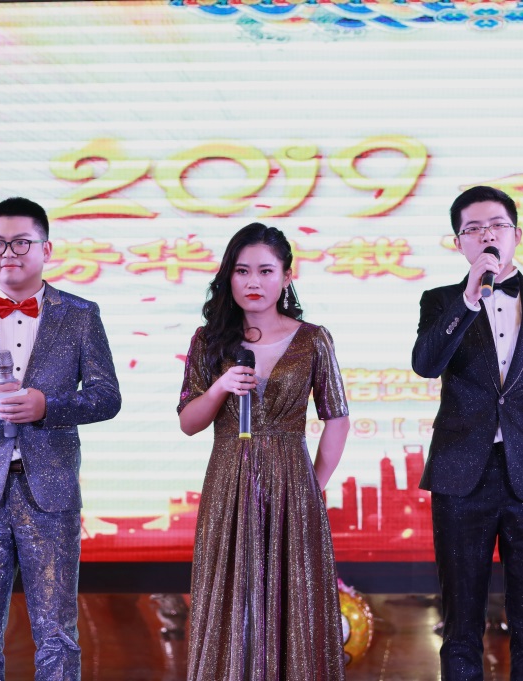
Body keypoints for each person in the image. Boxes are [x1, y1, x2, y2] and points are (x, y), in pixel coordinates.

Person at [0, 197, 121, 681]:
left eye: (20, 243)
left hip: (50, 493)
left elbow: (107, 396)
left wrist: (47, 406)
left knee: (57, 636)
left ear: (45, 249)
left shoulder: (80, 314)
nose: (8, 252)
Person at [412, 185, 523, 680]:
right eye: (473, 228)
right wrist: (468, 299)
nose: (486, 234)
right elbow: (426, 364)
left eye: (496, 225)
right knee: (460, 623)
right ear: (459, 243)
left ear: (517, 235)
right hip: (459, 477)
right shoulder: (440, 301)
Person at [178, 222, 350, 681]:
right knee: (230, 595)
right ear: (228, 277)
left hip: (294, 482)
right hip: (228, 481)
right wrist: (220, 386)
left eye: (266, 271)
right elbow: (189, 422)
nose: (253, 282)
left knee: (295, 599)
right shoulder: (208, 340)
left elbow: (336, 417)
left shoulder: (313, 338)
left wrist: (312, 486)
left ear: (287, 276)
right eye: (242, 271)